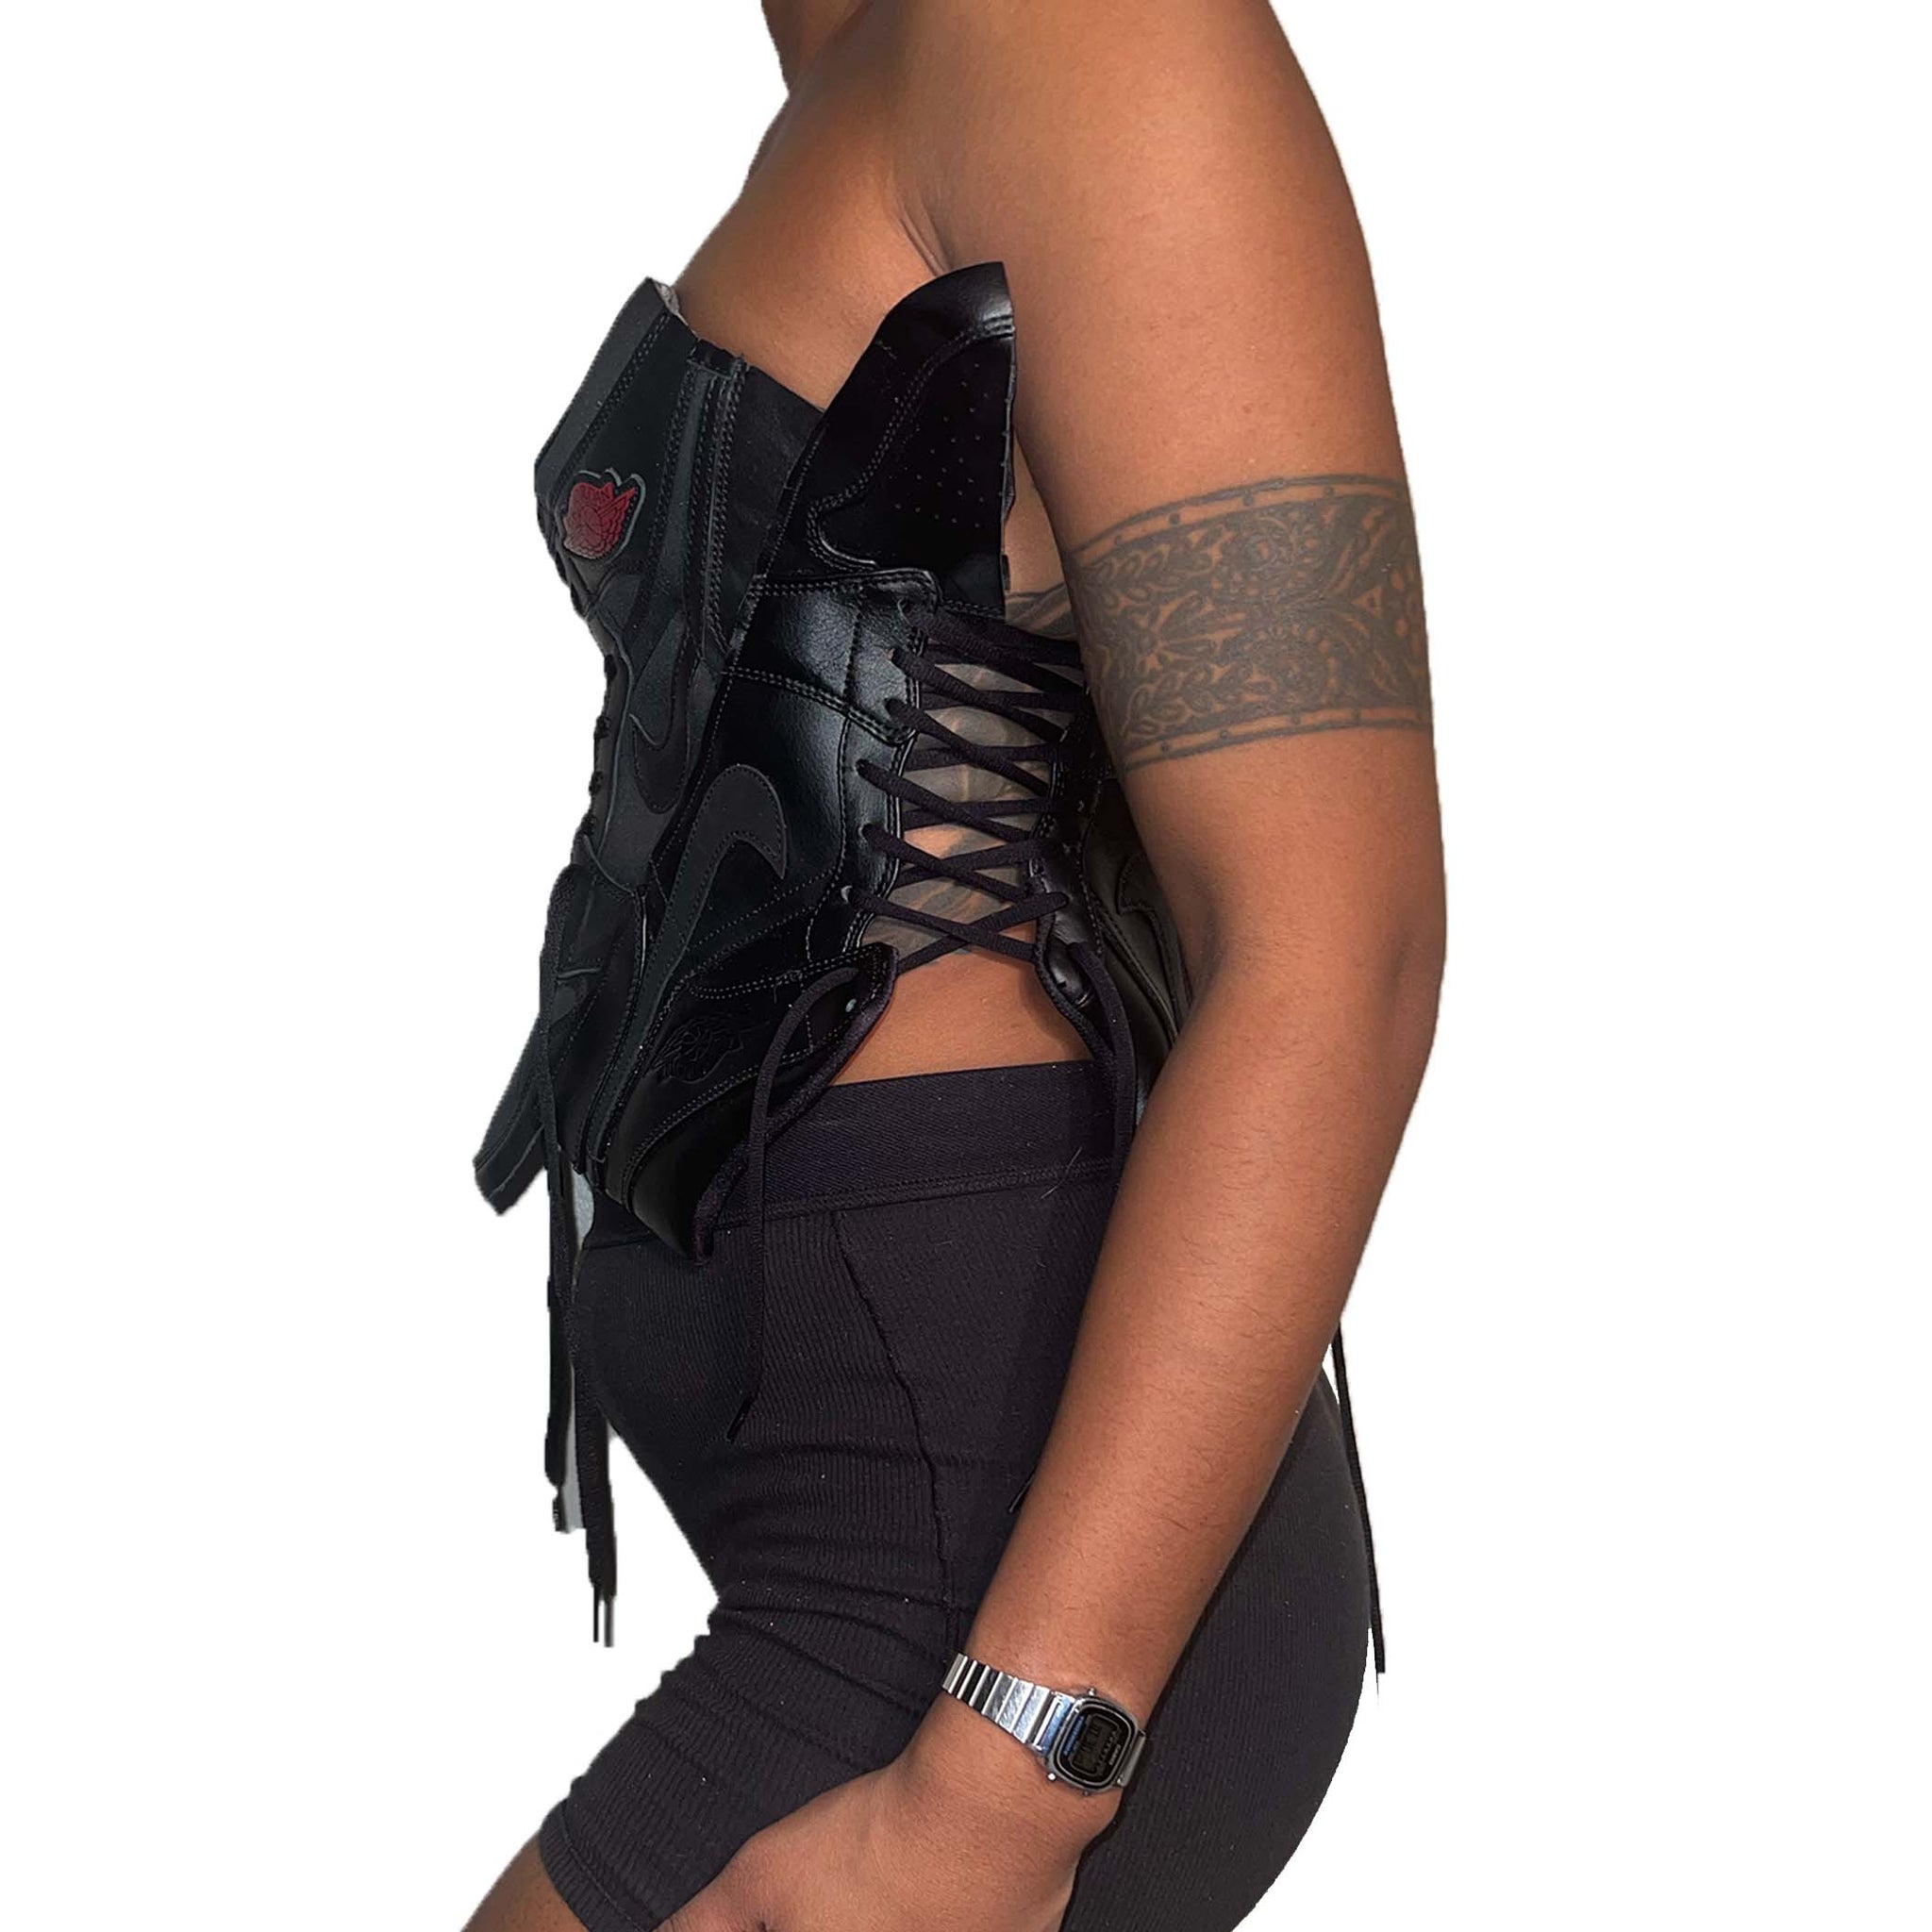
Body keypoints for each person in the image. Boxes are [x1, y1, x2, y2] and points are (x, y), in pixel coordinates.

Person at [463, 2, 1443, 1927]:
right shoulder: (868, 51)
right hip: (874, 1540)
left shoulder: (1096, 38)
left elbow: (1341, 946)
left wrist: (1001, 1791)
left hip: (972, 1613)